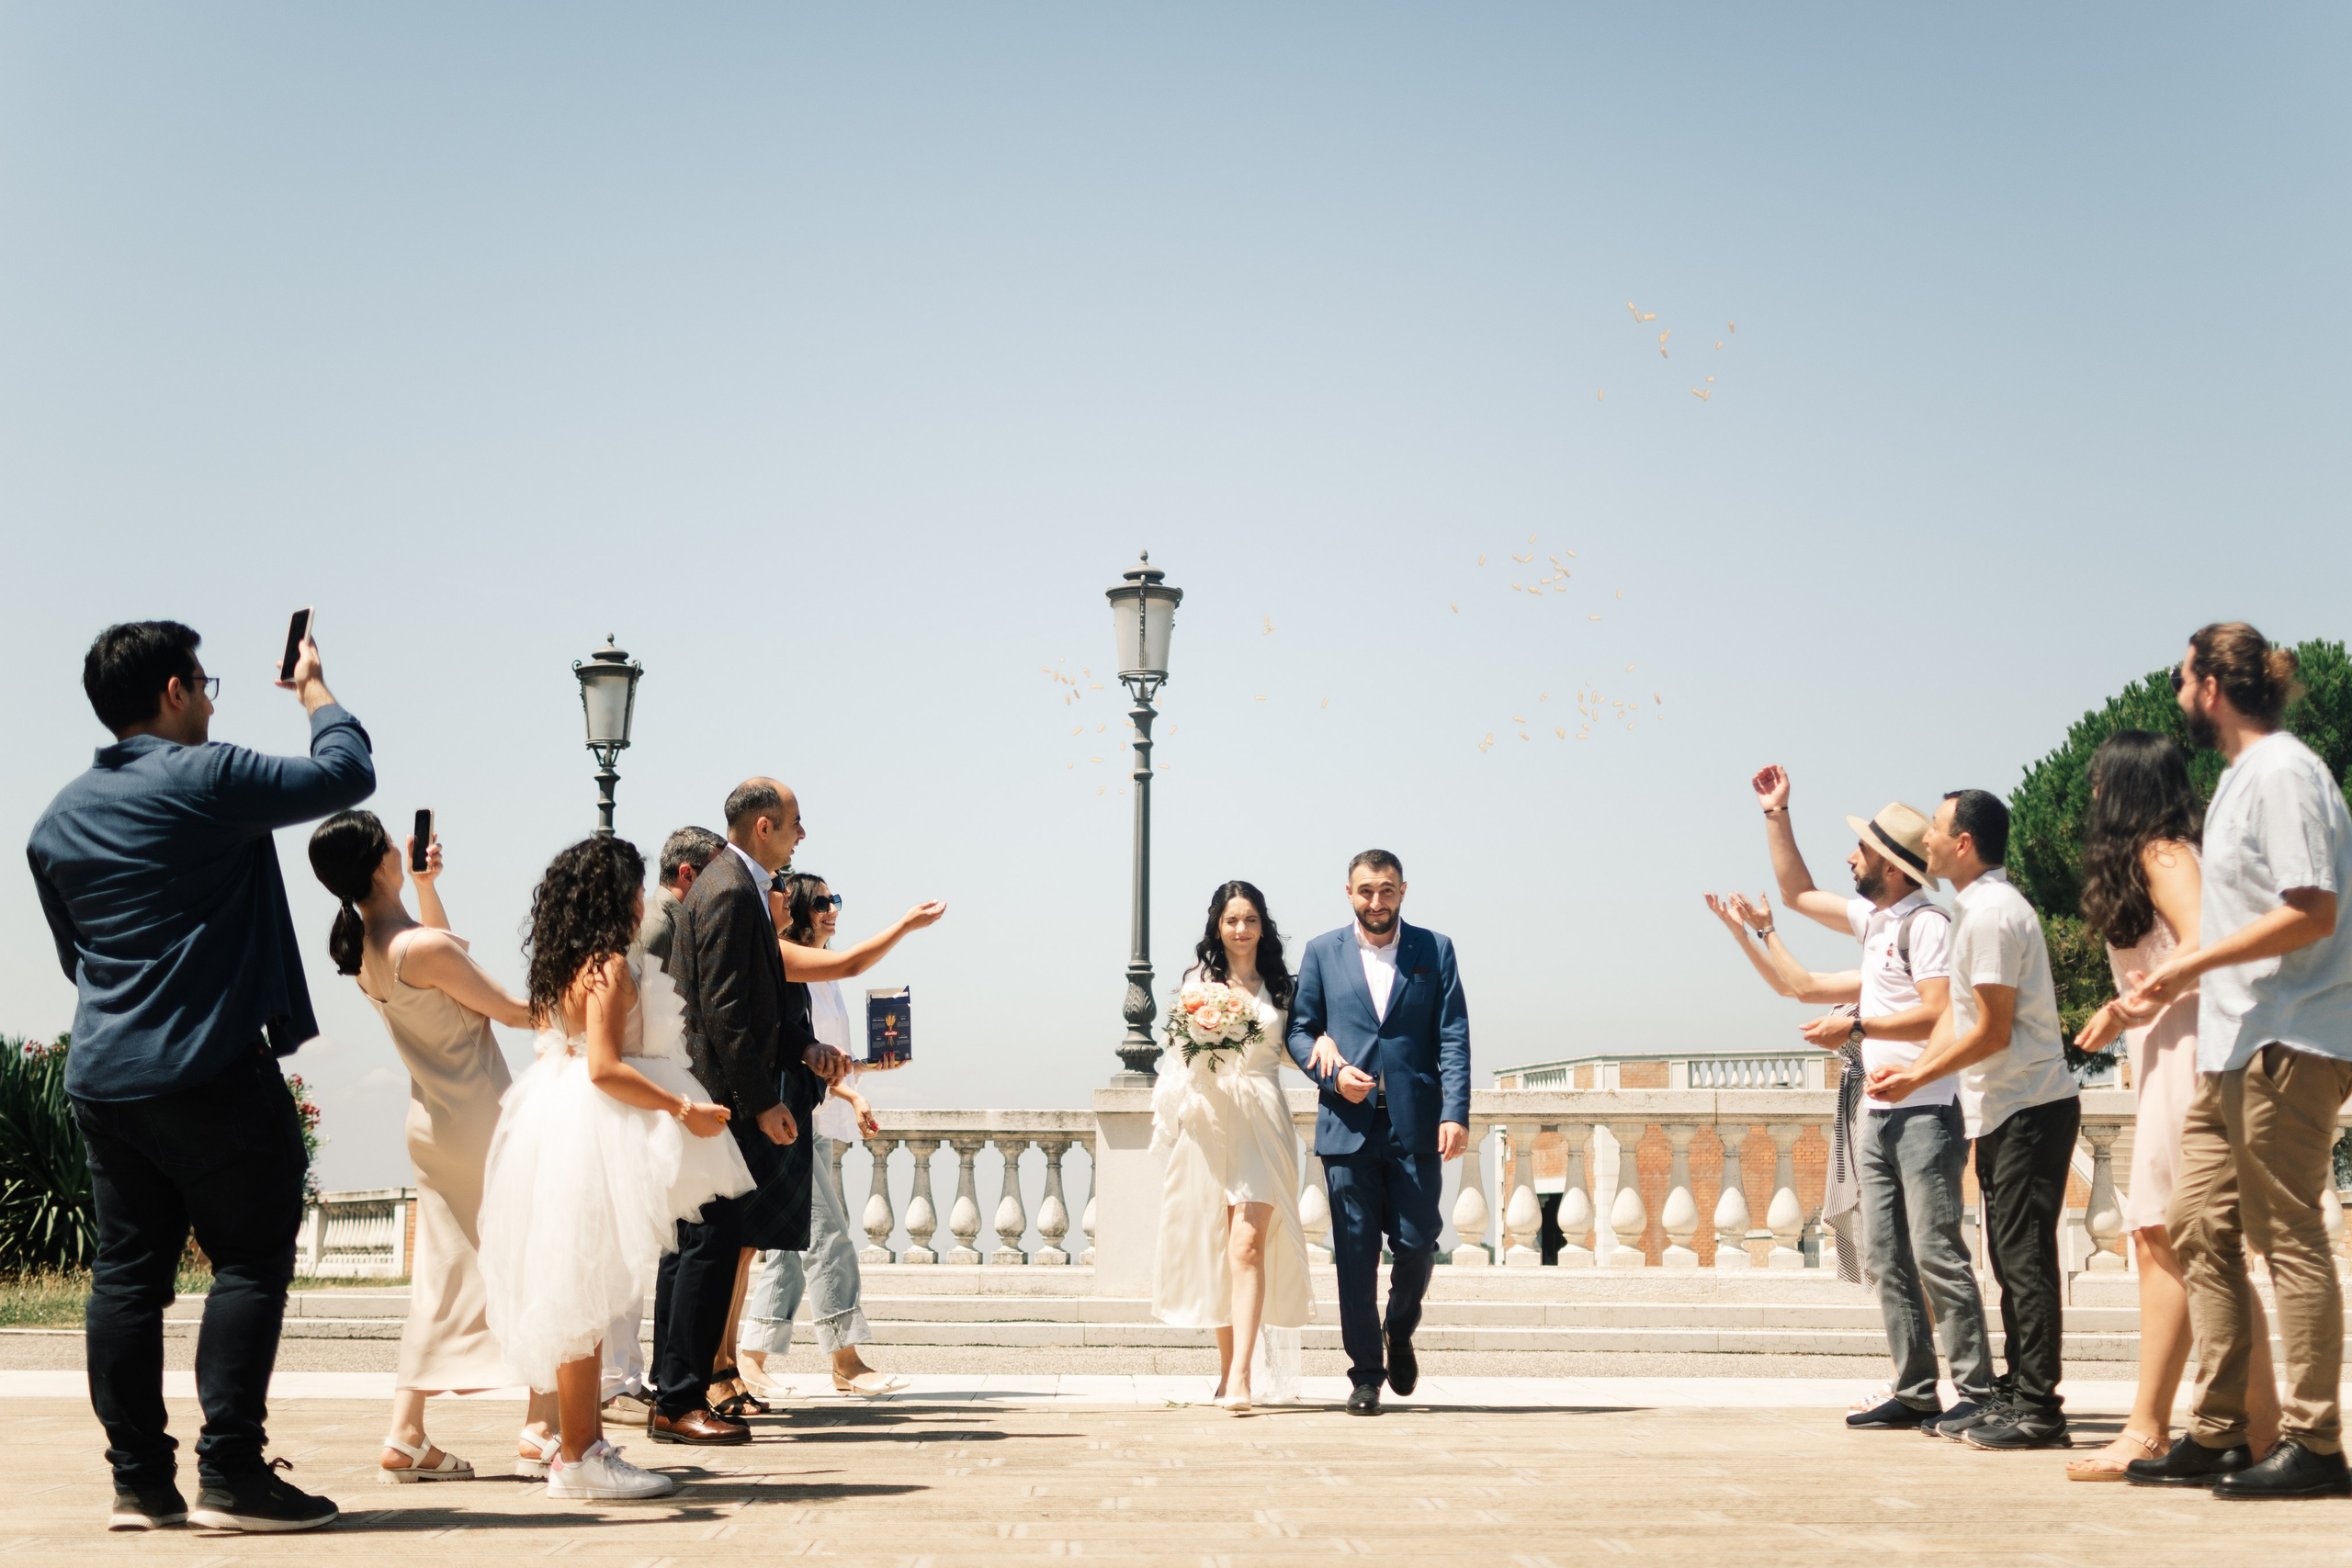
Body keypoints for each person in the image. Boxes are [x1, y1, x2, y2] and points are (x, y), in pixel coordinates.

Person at [28, 620, 371, 1533]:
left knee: (127, 1278)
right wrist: (312, 691)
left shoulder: (56, 818)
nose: (214, 701)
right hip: (211, 1063)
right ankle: (233, 1475)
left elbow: (80, 960)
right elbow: (345, 776)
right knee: (252, 1257)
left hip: (105, 1076)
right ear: (176, 692)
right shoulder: (208, 778)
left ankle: (139, 1483)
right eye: (206, 684)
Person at [2122, 625, 2352, 1499]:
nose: (2178, 691)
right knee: (2195, 1224)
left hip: (2291, 1037)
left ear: (2212, 685)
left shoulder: (2284, 773)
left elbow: (2314, 910)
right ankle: (2219, 1431)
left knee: (2287, 1236)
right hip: (2238, 1043)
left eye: (2184, 676)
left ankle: (2317, 1443)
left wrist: (2188, 962)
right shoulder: (2240, 779)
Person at [477, 836, 750, 1501]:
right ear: (613, 898)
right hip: (590, 1132)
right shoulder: (606, 968)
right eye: (632, 890)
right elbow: (603, 1067)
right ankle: (580, 1456)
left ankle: (578, 1445)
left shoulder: (565, 964)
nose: (640, 901)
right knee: (586, 1299)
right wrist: (684, 1106)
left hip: (557, 1123)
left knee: (582, 1295)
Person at [305, 809, 560, 1484]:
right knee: (538, 1257)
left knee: (442, 1273)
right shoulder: (419, 948)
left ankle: (408, 1431)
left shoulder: (366, 946)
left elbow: (437, 953)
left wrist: (424, 883)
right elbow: (505, 1006)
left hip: (432, 1120)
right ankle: (540, 1426)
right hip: (481, 1114)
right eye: (390, 842)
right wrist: (590, 1008)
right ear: (376, 862)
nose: (400, 844)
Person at [1742, 768, 1996, 1437]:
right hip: (1879, 1112)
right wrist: (1777, 813)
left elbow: (1939, 1014)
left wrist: (1854, 1027)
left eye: (1861, 847)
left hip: (1926, 1110)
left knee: (1937, 1250)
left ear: (1889, 860)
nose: (1850, 855)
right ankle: (1915, 1388)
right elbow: (1796, 892)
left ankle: (1975, 1389)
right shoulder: (1877, 920)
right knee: (1886, 1254)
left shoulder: (1927, 924)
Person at [2066, 730, 2280, 1480]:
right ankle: (2257, 1427)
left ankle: (2153, 1427)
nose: (2090, 793)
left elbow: (2209, 946)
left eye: (2098, 781)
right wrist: (2127, 1010)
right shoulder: (2159, 856)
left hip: (2190, 1051)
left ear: (2122, 786)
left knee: (2171, 1239)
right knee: (2188, 1246)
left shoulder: (2163, 854)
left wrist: (2129, 1008)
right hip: (2169, 1050)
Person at [1868, 789, 2080, 1451]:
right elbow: (1962, 1018)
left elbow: (1990, 1031)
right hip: (2006, 1109)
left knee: (2024, 1263)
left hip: (2028, 1107)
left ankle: (2039, 1407)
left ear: (1963, 842)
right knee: (2009, 1258)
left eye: (1934, 827)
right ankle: (2018, 1394)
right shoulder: (1976, 911)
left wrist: (1918, 1076)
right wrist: (1915, 1070)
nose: (1925, 839)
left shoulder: (1990, 915)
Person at [652, 780, 848, 1445]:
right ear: (764, 825)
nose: (802, 834)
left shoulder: (729, 882)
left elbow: (756, 1004)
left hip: (713, 1095)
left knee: (697, 1248)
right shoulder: (734, 889)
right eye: (796, 822)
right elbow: (727, 1012)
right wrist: (762, 1105)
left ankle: (673, 1393)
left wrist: (805, 1045)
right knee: (707, 1247)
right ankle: (679, 1400)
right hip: (719, 1101)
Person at [738, 872, 944, 1397]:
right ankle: (846, 1362)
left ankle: (752, 1356)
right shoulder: (791, 964)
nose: (832, 909)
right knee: (829, 1236)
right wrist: (904, 924)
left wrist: (860, 1085)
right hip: (793, 1122)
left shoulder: (823, 979)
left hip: (820, 1119)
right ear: (799, 910)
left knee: (790, 1246)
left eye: (835, 901)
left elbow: (822, 1057)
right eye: (821, 902)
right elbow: (793, 1048)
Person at [1285, 851, 1470, 1416]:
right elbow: (1299, 1031)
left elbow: (1453, 1036)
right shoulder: (1321, 952)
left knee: (1419, 1242)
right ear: (1349, 893)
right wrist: (1334, 1074)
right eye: (1366, 891)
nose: (1376, 902)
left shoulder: (1434, 949)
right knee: (1355, 1257)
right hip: (1348, 1127)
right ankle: (1365, 1375)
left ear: (1403, 891)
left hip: (1416, 1125)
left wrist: (1456, 1112)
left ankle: (1400, 1327)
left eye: (1386, 890)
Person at [1152, 880, 1315, 1414]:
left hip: (1263, 1119)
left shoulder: (1284, 988)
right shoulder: (1196, 985)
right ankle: (1227, 1373)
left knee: (1247, 1244)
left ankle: (1243, 1375)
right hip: (1209, 1121)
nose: (1240, 929)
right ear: (1217, 927)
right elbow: (1177, 1053)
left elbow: (1299, 1048)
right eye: (1230, 920)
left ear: (1262, 925)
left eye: (1249, 919)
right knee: (1220, 1249)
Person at [602, 824, 728, 1427]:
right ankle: (621, 1380)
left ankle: (634, 1377)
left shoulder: (665, 922)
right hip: (647, 1098)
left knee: (658, 1242)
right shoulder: (657, 927)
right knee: (642, 1242)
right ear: (688, 877)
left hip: (656, 1094)